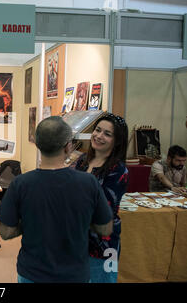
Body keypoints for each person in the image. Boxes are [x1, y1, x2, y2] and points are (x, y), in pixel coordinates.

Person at [0, 116, 112, 283]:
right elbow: (106, 229)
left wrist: (30, 222)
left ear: (37, 144)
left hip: (32, 273)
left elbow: (6, 232)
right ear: (68, 146)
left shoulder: (20, 184)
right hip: (75, 274)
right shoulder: (88, 183)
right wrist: (81, 221)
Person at [74, 112, 129, 283]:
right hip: (77, 239)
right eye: (97, 130)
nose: (99, 136)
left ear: (117, 140)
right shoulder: (82, 160)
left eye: (107, 133)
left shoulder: (118, 171)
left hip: (104, 244)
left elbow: (102, 209)